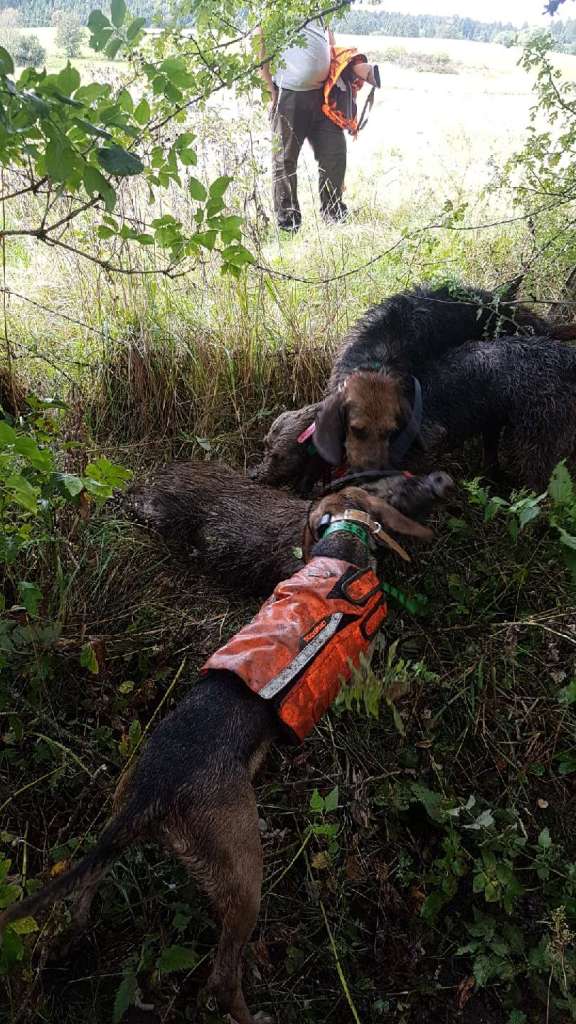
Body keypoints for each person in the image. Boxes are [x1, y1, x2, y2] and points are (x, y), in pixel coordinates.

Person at [259, 20, 378, 232]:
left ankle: (333, 215)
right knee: (285, 160)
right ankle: (288, 223)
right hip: (289, 95)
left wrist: (348, 71)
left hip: (323, 95)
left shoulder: (321, 8)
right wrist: (269, 90)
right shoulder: (275, 8)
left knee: (335, 153)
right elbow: (260, 43)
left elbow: (331, 46)